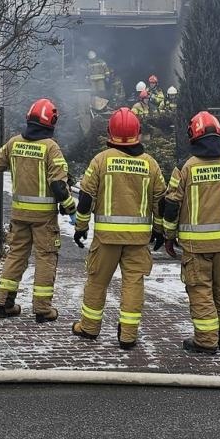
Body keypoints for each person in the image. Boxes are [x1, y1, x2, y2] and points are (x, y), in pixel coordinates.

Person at [71, 108, 167, 349]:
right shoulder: (150, 164)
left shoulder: (100, 161)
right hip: (138, 240)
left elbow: (85, 197)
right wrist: (159, 229)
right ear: (138, 133)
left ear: (110, 132)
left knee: (97, 282)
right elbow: (161, 201)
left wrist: (81, 226)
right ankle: (128, 335)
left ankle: (89, 328)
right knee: (133, 283)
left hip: (106, 239)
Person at [161, 111, 220, 353]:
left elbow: (171, 205)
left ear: (193, 136)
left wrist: (168, 236)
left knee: (200, 291)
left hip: (195, 246)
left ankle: (206, 340)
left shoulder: (185, 168)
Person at [0, 98, 77, 321]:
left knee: (16, 255)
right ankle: (42, 309)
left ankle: (4, 304)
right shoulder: (50, 147)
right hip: (44, 218)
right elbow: (58, 185)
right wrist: (69, 206)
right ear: (51, 122)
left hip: (19, 215)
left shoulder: (14, 142)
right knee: (46, 258)